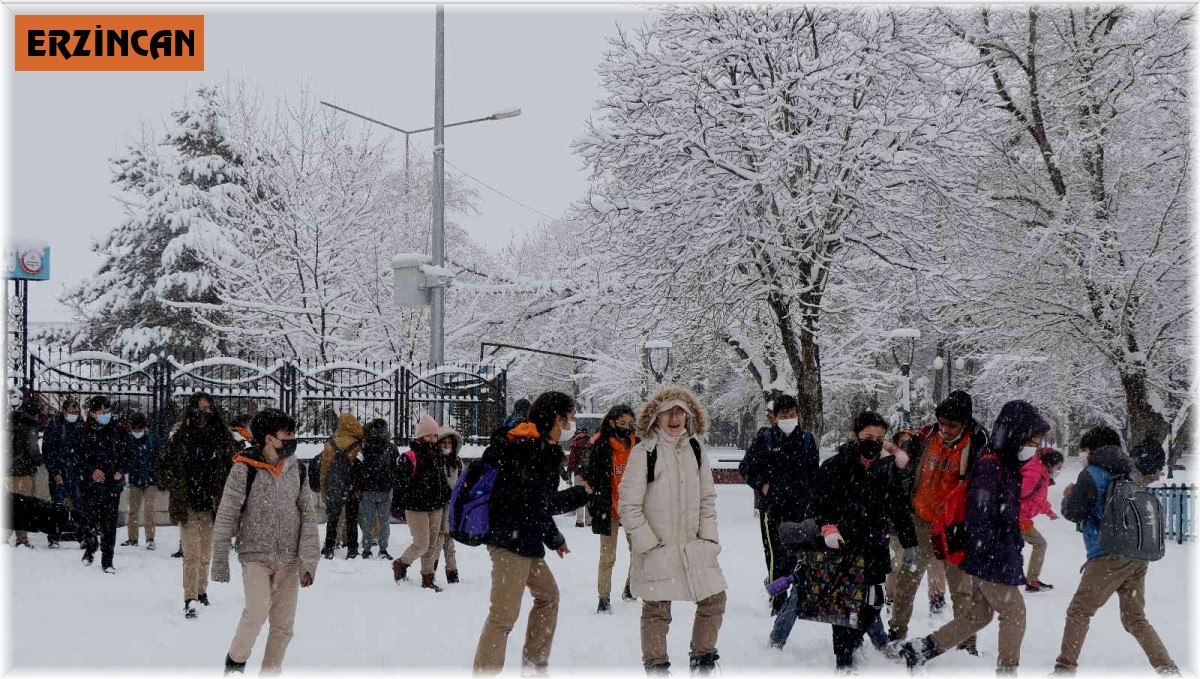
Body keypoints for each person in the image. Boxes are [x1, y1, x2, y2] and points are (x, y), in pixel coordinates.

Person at [899, 400, 1049, 673]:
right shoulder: (992, 465)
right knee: (1014, 614)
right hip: (989, 555)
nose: (1034, 448)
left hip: (992, 552)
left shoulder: (1005, 462)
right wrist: (989, 554)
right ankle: (1007, 671)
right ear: (1015, 435)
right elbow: (979, 515)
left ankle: (921, 649)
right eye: (1032, 441)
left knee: (979, 614)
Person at [473, 391, 590, 675]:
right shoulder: (535, 448)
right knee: (503, 616)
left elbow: (531, 502)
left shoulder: (534, 443)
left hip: (522, 537)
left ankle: (534, 666)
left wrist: (554, 539)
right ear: (558, 417)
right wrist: (579, 493)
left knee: (548, 596)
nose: (572, 421)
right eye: (570, 415)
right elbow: (540, 502)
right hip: (509, 540)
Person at [1052, 426, 1179, 676]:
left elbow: (1074, 512)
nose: (1084, 455)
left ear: (1093, 450)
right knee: (1135, 618)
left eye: (1086, 450)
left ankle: (1064, 668)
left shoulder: (1092, 474)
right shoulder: (1128, 472)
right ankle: (1167, 668)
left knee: (1079, 611)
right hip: (1135, 556)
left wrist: (1068, 496)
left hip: (1107, 555)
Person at [619, 386, 726, 676]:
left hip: (694, 547)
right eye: (669, 411)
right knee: (656, 610)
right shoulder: (644, 452)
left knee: (714, 599)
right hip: (658, 548)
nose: (675, 417)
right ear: (656, 416)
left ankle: (702, 661)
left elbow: (707, 499)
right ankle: (656, 668)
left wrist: (709, 538)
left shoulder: (695, 449)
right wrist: (648, 544)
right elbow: (628, 505)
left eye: (681, 411)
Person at [211, 408, 319, 675]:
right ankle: (235, 662)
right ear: (270, 438)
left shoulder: (297, 469)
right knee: (257, 611)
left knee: (283, 626)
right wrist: (220, 562)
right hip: (255, 556)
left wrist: (309, 561)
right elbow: (226, 515)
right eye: (287, 435)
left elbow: (307, 516)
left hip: (289, 560)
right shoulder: (243, 469)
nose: (293, 440)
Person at [808, 412, 917, 670]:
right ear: (855, 435)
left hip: (875, 544)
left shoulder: (887, 467)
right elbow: (818, 504)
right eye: (868, 436)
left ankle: (854, 640)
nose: (874, 442)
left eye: (879, 438)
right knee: (843, 607)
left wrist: (909, 540)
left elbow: (899, 507)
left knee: (874, 601)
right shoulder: (835, 466)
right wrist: (828, 528)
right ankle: (844, 662)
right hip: (844, 545)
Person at [888, 390, 989, 652]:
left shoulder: (977, 445)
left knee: (960, 589)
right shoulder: (927, 435)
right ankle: (896, 634)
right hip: (921, 519)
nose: (945, 429)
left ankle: (966, 644)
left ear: (965, 422)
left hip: (956, 526)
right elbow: (907, 465)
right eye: (942, 423)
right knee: (906, 581)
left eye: (952, 425)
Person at [157, 392, 239, 616]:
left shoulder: (222, 438)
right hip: (188, 503)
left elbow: (236, 466)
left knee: (205, 553)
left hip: (213, 504)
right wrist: (175, 484)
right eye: (199, 409)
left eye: (207, 409)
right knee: (192, 553)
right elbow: (161, 468)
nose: (203, 414)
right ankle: (190, 596)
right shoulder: (180, 438)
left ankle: (202, 591)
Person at [738, 394, 820, 616]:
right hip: (773, 509)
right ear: (774, 417)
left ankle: (798, 599)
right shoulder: (765, 439)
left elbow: (814, 473)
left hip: (801, 509)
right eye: (784, 415)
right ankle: (778, 602)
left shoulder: (806, 439)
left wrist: (814, 501)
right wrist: (762, 484)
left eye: (793, 414)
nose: (789, 418)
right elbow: (746, 468)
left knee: (800, 556)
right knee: (775, 555)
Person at [578, 404, 638, 613]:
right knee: (607, 556)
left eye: (630, 423)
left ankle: (631, 587)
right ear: (612, 423)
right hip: (608, 508)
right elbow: (587, 474)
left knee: (639, 552)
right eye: (622, 423)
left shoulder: (637, 445)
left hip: (633, 508)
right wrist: (594, 503)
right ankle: (603, 598)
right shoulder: (601, 446)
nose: (627, 427)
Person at [391, 414, 452, 591]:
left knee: (433, 544)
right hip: (416, 507)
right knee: (422, 543)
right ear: (420, 436)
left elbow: (441, 480)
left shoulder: (437, 455)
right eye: (429, 435)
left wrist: (445, 495)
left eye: (435, 435)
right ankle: (401, 563)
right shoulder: (409, 457)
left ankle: (428, 578)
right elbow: (400, 483)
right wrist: (414, 492)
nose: (433, 439)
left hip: (436, 506)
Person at [77, 395, 131, 573]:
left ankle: (108, 560)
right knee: (89, 520)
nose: (105, 415)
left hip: (112, 486)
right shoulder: (84, 431)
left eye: (107, 412)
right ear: (92, 413)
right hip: (90, 486)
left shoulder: (119, 430)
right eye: (101, 412)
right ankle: (91, 546)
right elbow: (76, 459)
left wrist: (121, 470)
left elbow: (129, 454)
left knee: (109, 524)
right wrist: (91, 471)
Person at [319, 413, 364, 559]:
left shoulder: (330, 444)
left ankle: (329, 547)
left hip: (335, 487)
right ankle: (352, 548)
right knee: (352, 520)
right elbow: (360, 469)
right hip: (353, 487)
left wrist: (324, 488)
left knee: (332, 519)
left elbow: (324, 470)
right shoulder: (358, 444)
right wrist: (358, 488)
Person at [1020, 448, 1063, 593]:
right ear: (1050, 464)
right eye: (1058, 467)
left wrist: (1049, 512)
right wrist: (1018, 518)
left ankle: (1031, 580)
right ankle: (1031, 581)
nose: (1059, 470)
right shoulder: (1034, 475)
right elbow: (1014, 496)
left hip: (1019, 518)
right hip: (1018, 519)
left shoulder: (1041, 474)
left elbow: (1038, 500)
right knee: (1040, 544)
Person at [43, 397, 84, 548]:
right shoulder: (54, 425)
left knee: (79, 506)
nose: (74, 413)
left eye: (76, 411)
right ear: (64, 411)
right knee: (57, 506)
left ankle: (82, 536)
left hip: (76, 473)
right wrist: (55, 472)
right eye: (71, 411)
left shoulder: (81, 424)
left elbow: (84, 450)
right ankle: (53, 537)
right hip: (59, 472)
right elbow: (48, 451)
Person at [121, 412, 163, 549]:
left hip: (151, 480)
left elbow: (160, 458)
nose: (137, 431)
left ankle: (150, 538)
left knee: (149, 510)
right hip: (135, 480)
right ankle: (132, 538)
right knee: (133, 510)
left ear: (144, 427)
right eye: (135, 429)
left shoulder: (153, 439)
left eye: (140, 428)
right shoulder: (128, 439)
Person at [358, 418, 398, 560]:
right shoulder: (392, 448)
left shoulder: (365, 447)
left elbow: (359, 467)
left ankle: (367, 549)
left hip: (368, 489)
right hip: (385, 489)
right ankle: (383, 549)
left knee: (368, 520)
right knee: (384, 521)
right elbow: (395, 468)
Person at [7, 395, 44, 548]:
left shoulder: (11, 421)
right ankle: (21, 538)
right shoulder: (30, 425)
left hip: (9, 469)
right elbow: (33, 448)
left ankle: (5, 535)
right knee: (22, 506)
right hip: (23, 471)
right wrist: (39, 461)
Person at [434, 425, 465, 583]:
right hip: (438, 504)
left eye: (449, 443)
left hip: (451, 505)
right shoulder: (436, 461)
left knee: (448, 538)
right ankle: (431, 569)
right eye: (443, 442)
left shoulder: (457, 463)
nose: (446, 446)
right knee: (438, 538)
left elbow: (461, 483)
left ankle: (452, 571)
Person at [567, 426, 593, 528]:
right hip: (590, 474)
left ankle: (579, 521)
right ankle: (589, 520)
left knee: (579, 496)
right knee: (588, 497)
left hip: (579, 473)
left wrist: (569, 471)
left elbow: (572, 461)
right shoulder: (591, 443)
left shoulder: (576, 443)